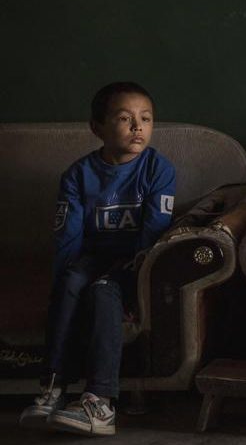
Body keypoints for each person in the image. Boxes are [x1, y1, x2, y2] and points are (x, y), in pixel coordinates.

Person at [20, 82, 176, 437]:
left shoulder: (157, 169)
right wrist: (62, 286)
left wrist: (138, 289)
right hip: (92, 256)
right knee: (73, 280)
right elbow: (68, 238)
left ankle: (100, 401)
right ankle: (54, 387)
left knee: (103, 290)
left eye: (146, 118)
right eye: (125, 118)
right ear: (97, 128)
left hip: (132, 261)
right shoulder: (78, 174)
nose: (138, 127)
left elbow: (153, 236)